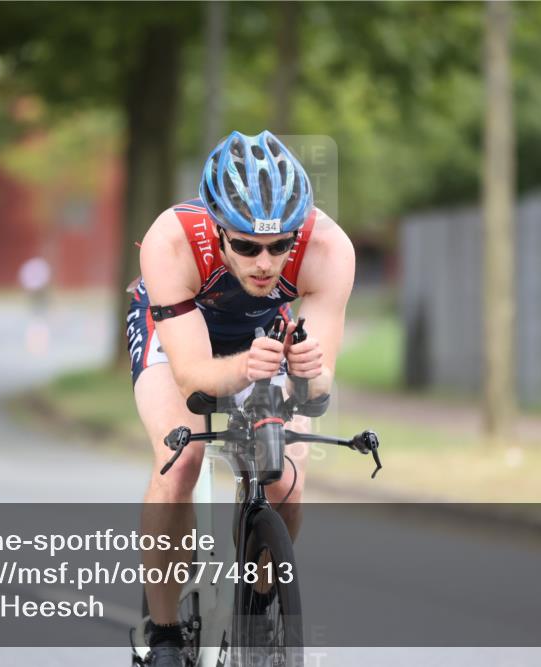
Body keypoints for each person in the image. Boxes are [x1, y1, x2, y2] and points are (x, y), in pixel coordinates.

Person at [126, 130, 355, 665]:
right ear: (218, 229)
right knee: (181, 460)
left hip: (264, 338)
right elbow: (195, 382)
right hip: (180, 337)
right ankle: (162, 636)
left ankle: (260, 600)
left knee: (285, 479)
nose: (265, 263)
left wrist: (308, 374)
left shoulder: (328, 249)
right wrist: (245, 370)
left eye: (280, 246)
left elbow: (318, 394)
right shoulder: (173, 240)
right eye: (247, 246)